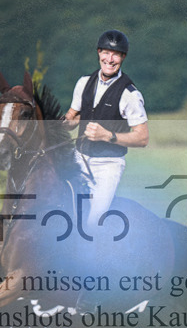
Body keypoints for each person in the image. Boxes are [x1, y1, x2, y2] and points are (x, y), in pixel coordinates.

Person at [63, 29, 148, 229]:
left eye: (116, 54)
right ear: (99, 53)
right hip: (79, 158)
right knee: (61, 208)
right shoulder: (83, 83)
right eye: (106, 53)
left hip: (108, 165)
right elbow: (72, 117)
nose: (110, 59)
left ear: (123, 57)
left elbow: (142, 138)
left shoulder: (130, 94)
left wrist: (107, 136)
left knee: (92, 222)